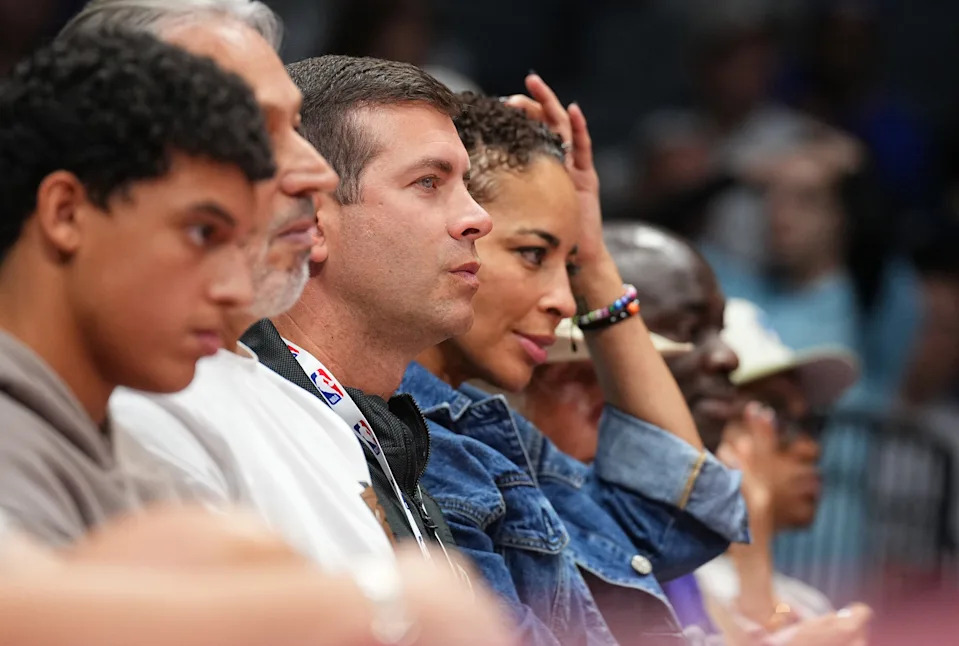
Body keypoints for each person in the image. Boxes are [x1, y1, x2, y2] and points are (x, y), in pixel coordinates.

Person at [399, 85, 748, 644]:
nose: (566, 301)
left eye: (572, 265)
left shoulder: (481, 429)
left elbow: (678, 521)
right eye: (533, 254)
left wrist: (598, 264)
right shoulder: (408, 445)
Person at [74, 0, 397, 570]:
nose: (317, 173)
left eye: (294, 127)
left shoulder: (313, 413)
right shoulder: (131, 404)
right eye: (254, 133)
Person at [0, 26, 276, 546]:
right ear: (66, 213)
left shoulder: (140, 468)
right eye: (203, 233)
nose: (238, 290)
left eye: (241, 247)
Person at [240, 53, 490, 554]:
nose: (478, 218)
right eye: (428, 182)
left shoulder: (392, 440)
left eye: (466, 185)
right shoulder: (244, 437)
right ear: (311, 222)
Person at [696, 298, 861, 633]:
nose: (810, 448)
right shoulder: (662, 587)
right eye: (775, 416)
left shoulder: (810, 603)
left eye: (812, 423)